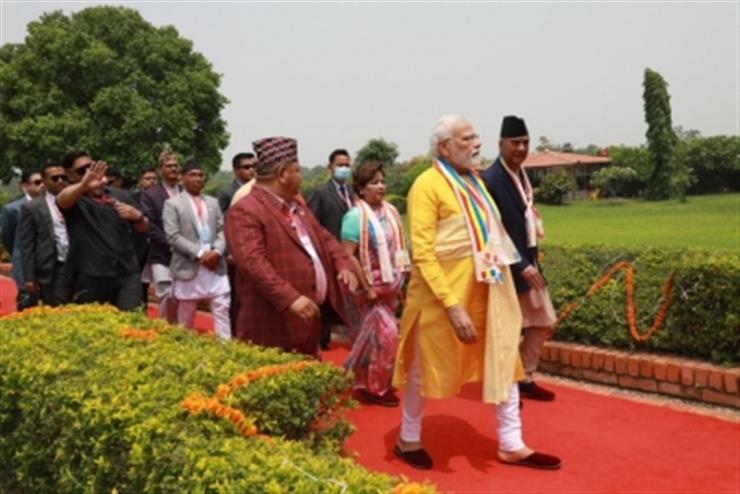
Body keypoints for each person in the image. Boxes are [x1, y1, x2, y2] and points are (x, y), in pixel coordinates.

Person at [392, 115, 560, 471]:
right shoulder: (426, 186)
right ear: (444, 147)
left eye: (475, 136)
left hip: (487, 292)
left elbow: (493, 234)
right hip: (441, 299)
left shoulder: (476, 183)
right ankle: (408, 439)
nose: (476, 144)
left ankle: (512, 443)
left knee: (505, 359)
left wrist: (515, 272)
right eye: (467, 138)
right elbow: (422, 253)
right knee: (423, 368)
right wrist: (453, 306)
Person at [225, 136, 358, 357]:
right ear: (282, 174)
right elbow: (252, 262)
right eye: (297, 171)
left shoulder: (297, 207)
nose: (301, 177)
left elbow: (325, 239)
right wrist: (290, 298)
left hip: (307, 321)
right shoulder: (246, 210)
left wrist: (343, 264)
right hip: (273, 325)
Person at [481, 116, 558, 402]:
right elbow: (492, 231)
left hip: (530, 262)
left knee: (543, 321)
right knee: (510, 329)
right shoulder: (490, 180)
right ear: (501, 144)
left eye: (525, 142)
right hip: (507, 268)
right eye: (515, 142)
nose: (521, 148)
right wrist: (520, 264)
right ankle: (507, 386)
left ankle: (525, 376)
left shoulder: (523, 175)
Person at [340, 161, 409, 407]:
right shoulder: (354, 216)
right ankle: (376, 388)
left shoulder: (390, 211)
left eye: (382, 181)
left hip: (391, 285)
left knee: (376, 340)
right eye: (374, 182)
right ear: (361, 188)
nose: (380, 186)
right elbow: (349, 255)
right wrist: (367, 288)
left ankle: (369, 382)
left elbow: (398, 247)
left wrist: (403, 281)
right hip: (368, 289)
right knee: (387, 336)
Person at [57, 150, 149, 310]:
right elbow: (62, 199)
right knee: (95, 324)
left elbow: (144, 227)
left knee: (132, 323)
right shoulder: (75, 200)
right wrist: (84, 184)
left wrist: (138, 216)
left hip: (127, 273)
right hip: (91, 276)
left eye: (90, 167)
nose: (89, 172)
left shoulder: (121, 196)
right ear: (70, 176)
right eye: (81, 170)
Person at [164, 158, 231, 340]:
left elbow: (222, 230)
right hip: (189, 264)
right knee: (186, 314)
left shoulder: (213, 202)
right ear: (182, 179)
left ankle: (225, 349)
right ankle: (185, 351)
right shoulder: (173, 204)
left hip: (215, 264)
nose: (197, 179)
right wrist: (200, 253)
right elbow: (173, 236)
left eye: (200, 175)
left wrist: (216, 252)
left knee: (222, 307)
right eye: (192, 175)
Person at [308, 149, 355, 349]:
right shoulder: (320, 192)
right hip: (329, 253)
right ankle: (322, 338)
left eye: (347, 165)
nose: (343, 169)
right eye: (340, 165)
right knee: (327, 298)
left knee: (352, 297)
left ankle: (353, 335)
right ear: (330, 167)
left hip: (352, 253)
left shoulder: (353, 192)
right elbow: (311, 222)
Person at [18, 161, 71, 306]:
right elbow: (27, 244)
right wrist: (29, 277)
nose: (60, 181)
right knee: (57, 308)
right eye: (55, 178)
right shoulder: (32, 207)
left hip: (78, 266)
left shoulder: (78, 201)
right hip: (52, 268)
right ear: (44, 181)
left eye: (63, 177)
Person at [140, 149, 182, 322]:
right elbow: (150, 225)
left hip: (186, 255)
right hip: (162, 254)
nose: (173, 169)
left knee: (183, 296)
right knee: (167, 294)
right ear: (160, 170)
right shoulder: (150, 195)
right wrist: (172, 243)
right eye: (169, 166)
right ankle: (166, 329)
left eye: (176, 165)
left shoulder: (186, 191)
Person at [0, 169, 44, 310]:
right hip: (25, 266)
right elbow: (8, 237)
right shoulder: (12, 209)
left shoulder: (53, 204)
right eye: (37, 182)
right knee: (27, 305)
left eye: (44, 181)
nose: (42, 185)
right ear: (25, 186)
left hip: (47, 264)